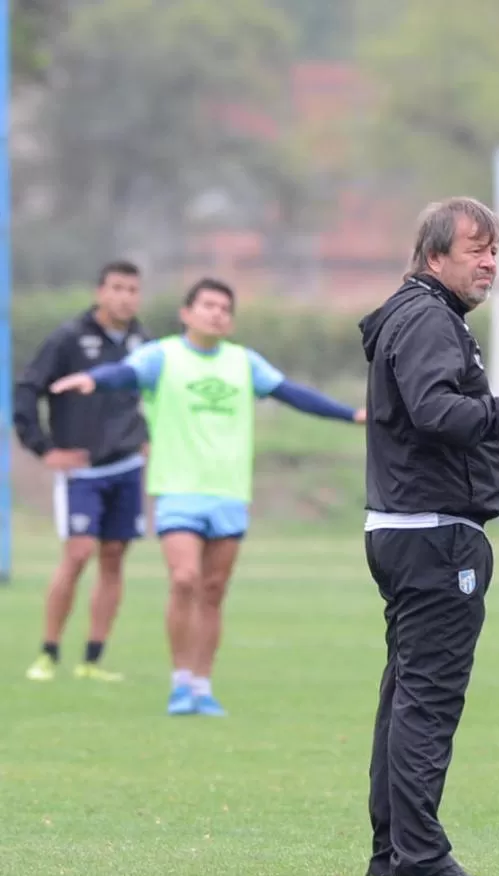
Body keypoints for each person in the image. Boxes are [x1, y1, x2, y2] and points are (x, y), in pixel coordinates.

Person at [358, 197, 499, 876]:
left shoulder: (411, 314)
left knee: (404, 695)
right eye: (475, 250)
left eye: (495, 251)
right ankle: (419, 858)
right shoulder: (428, 319)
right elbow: (433, 410)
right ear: (434, 257)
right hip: (432, 536)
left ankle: (392, 852)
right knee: (428, 698)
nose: (489, 263)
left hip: (402, 528)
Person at [50, 277, 365, 716]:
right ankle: (180, 683)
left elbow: (292, 393)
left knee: (214, 590)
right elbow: (122, 374)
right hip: (178, 489)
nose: (217, 313)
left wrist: (351, 414)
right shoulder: (163, 356)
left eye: (225, 308)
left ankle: (202, 684)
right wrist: (91, 379)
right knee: (184, 579)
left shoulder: (243, 363)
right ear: (187, 313)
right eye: (208, 305)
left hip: (228, 491)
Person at [15, 260, 149, 683]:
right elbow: (26, 389)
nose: (124, 296)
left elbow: (159, 391)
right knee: (77, 554)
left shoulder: (143, 342)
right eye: (116, 288)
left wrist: (148, 436)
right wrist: (42, 447)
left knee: (113, 558)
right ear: (99, 292)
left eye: (132, 289)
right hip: (81, 470)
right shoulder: (68, 339)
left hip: (127, 465)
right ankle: (48, 652)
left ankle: (92, 658)